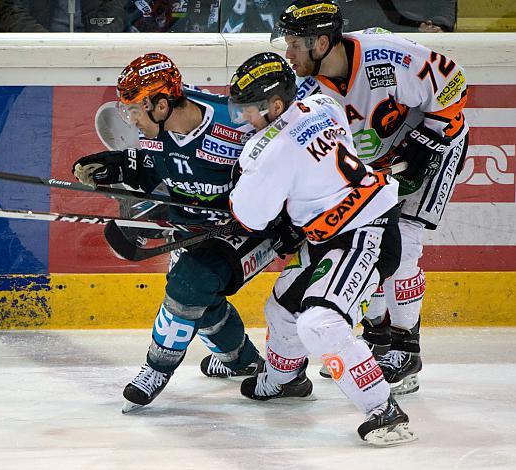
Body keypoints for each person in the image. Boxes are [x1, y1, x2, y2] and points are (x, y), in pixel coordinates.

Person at [273, 0, 469, 394]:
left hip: (433, 146)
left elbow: (453, 83)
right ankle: (377, 339)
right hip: (375, 165)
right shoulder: (303, 90)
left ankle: (405, 346)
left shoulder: (385, 56)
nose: (288, 54)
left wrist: (425, 141)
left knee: (407, 245)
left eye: (295, 43)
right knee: (371, 244)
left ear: (323, 43)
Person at [71, 53, 280, 413]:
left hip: (250, 230)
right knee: (203, 301)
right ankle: (241, 359)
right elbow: (156, 169)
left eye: (136, 109)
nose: (132, 119)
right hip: (196, 227)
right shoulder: (154, 128)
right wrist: (123, 169)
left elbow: (285, 169)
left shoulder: (238, 124)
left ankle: (155, 369)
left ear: (163, 104)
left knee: (189, 284)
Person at [227, 51, 414, 446]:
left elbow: (251, 217)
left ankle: (384, 411)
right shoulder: (321, 103)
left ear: (276, 105)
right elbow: (318, 168)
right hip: (334, 231)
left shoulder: (270, 152)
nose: (242, 118)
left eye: (249, 110)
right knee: (282, 308)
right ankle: (285, 380)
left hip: (367, 231)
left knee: (319, 323)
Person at [0, 0, 125, 32]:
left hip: (94, 60)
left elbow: (115, 13)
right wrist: (47, 44)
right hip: (35, 56)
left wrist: (93, 48)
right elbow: (11, 10)